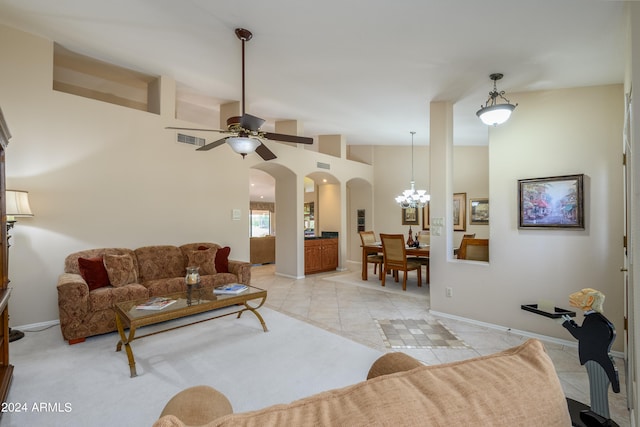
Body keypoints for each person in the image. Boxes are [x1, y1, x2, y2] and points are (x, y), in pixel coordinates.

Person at [559, 288, 619, 420]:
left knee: (598, 386)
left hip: (596, 360)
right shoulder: (596, 319)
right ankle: (597, 412)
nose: (576, 295)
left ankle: (600, 415)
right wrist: (571, 322)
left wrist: (566, 324)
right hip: (594, 358)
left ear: (590, 300)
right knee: (595, 386)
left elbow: (580, 335)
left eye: (582, 294)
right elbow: (585, 333)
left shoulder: (594, 321)